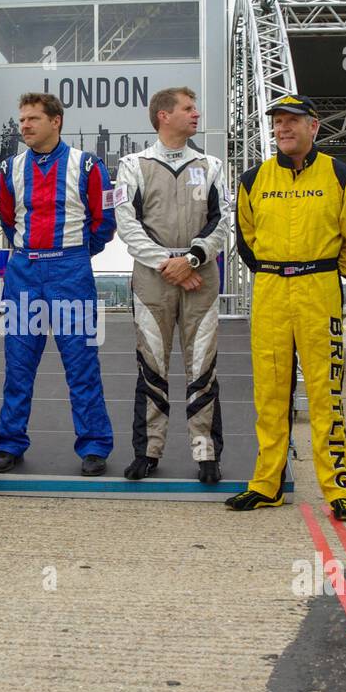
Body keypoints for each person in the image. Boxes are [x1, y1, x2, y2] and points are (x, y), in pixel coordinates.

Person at [226, 94, 346, 520]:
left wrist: (324, 271)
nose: (284, 128)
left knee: (326, 392)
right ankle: (266, 484)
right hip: (270, 287)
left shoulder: (340, 174)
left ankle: (338, 488)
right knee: (269, 393)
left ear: (314, 126)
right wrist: (275, 270)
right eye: (278, 122)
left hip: (318, 288)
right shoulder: (253, 179)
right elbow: (246, 239)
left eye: (293, 121)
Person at [0, 92, 116, 477]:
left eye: (33, 119)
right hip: (24, 272)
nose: (25, 126)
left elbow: (104, 223)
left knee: (81, 365)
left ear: (55, 121)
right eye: (22, 119)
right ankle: (9, 444)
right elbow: (9, 222)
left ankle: (94, 446)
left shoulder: (88, 165)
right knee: (18, 365)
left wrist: (73, 257)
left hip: (70, 272)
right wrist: (34, 255)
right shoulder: (10, 167)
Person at [113, 86, 232, 484]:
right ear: (164, 115)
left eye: (195, 107)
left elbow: (222, 219)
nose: (196, 113)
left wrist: (193, 258)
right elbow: (126, 223)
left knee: (203, 367)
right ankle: (147, 452)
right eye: (187, 108)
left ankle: (206, 454)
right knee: (152, 368)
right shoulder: (133, 164)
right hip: (152, 277)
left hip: (200, 274)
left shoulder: (211, 164)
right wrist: (168, 263)